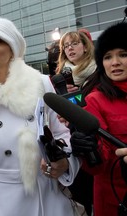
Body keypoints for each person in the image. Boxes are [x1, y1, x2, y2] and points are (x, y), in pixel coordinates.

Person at [0, 17, 81, 216]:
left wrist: (63, 162)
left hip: (48, 198)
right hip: (0, 204)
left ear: (13, 48)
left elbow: (64, 134)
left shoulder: (41, 83)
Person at [70, 22, 127, 216]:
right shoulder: (95, 99)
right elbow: (98, 166)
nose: (115, 62)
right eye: (107, 57)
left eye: (123, 54)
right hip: (115, 200)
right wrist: (88, 151)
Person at [55, 30, 96, 216]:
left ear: (85, 47)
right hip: (74, 142)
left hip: (97, 143)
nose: (69, 48)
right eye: (65, 46)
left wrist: (80, 94)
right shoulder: (61, 76)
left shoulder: (99, 73)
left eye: (74, 44)